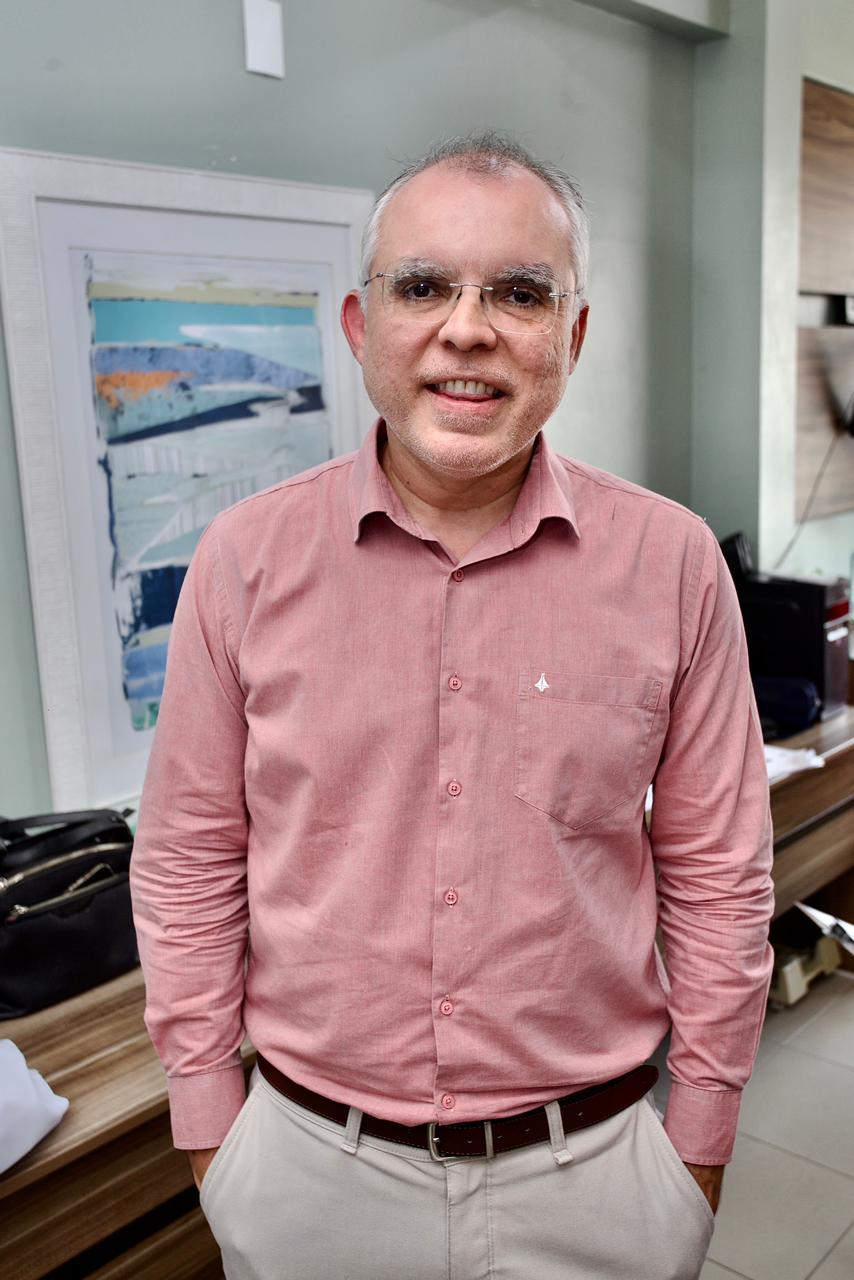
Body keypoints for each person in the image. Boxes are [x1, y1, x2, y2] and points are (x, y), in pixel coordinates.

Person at [130, 133, 774, 1280]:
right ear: (358, 324)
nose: (466, 329)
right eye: (422, 285)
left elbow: (719, 871)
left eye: (518, 293)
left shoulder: (672, 564)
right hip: (307, 1175)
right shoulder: (242, 560)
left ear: (571, 336)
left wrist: (697, 1144)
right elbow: (186, 857)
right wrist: (211, 1129)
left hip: (597, 1179)